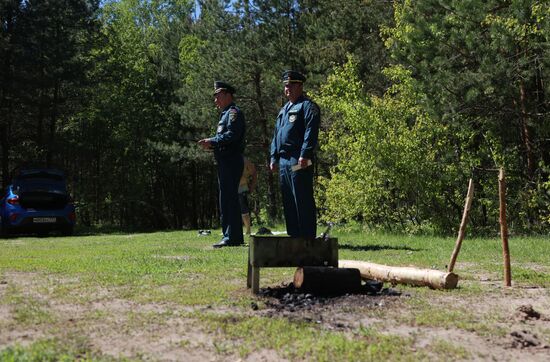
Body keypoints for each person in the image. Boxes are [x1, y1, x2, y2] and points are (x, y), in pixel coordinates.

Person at [269, 70, 320, 239]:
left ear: (300, 86)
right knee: (289, 201)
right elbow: (276, 135)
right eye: (285, 86)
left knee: (302, 198)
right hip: (283, 161)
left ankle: (307, 237)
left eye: (290, 85)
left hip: (298, 159)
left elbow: (310, 132)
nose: (287, 89)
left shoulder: (307, 106)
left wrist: (305, 154)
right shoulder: (284, 109)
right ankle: (294, 237)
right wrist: (273, 157)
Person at [198, 81, 245, 248]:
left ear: (226, 95)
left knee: (229, 198)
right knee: (225, 198)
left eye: (217, 96)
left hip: (231, 160)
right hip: (225, 161)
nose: (215, 100)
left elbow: (232, 135)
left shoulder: (233, 113)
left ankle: (232, 237)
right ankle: (231, 235)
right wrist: (213, 144)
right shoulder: (225, 114)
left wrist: (212, 141)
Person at [238, 157, 257, 235]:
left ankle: (248, 230)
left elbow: (254, 174)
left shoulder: (245, 161)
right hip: (231, 188)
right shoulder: (228, 159)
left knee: (244, 210)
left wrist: (252, 186)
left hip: (242, 187)